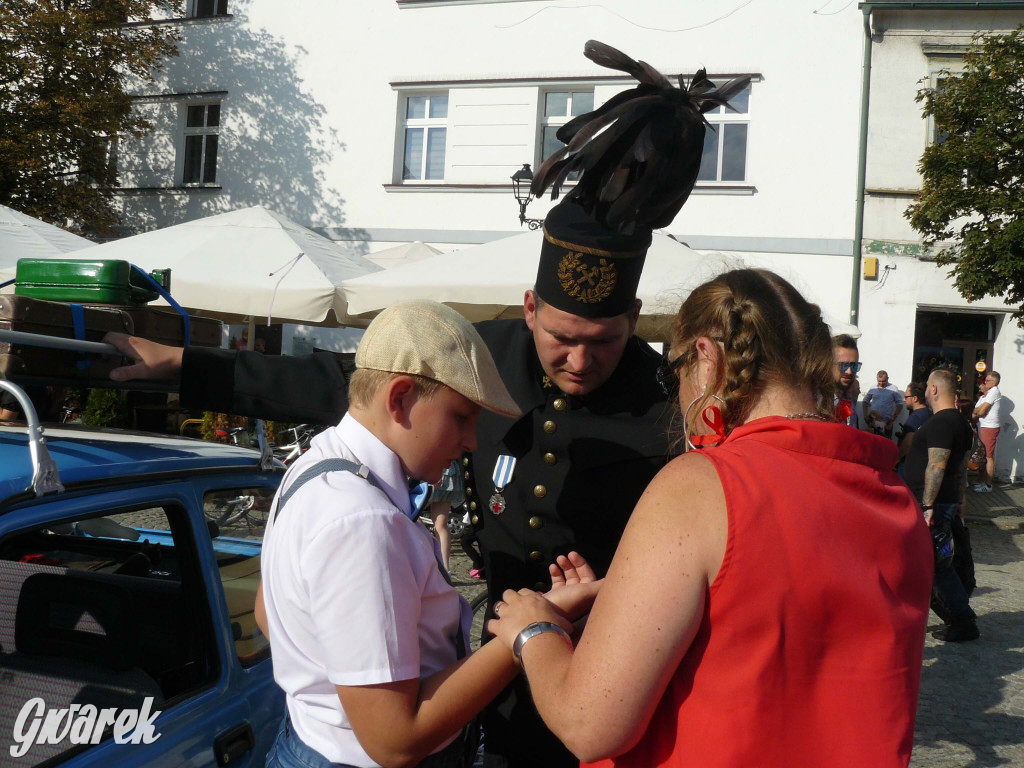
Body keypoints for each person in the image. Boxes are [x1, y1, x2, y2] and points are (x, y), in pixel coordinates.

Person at [106, 40, 748, 768]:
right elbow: (335, 384)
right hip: (491, 666)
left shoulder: (668, 404)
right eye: (563, 338)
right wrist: (185, 366)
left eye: (602, 341)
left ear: (633, 317)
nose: (579, 360)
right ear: (531, 308)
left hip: (615, 666)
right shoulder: (478, 355)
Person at [485, 268, 933, 768]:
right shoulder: (897, 499)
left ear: (706, 358)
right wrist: (619, 616)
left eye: (674, 369)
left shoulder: (702, 484)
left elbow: (589, 724)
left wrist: (534, 628)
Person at [255, 300, 599, 768]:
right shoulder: (361, 520)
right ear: (399, 399)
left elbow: (268, 611)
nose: (473, 442)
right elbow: (396, 741)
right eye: (462, 416)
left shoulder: (316, 467)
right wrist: (527, 632)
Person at [903, 368, 979, 643]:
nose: (924, 392)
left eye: (927, 387)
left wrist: (927, 505)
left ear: (934, 390)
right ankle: (955, 616)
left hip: (932, 504)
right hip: (944, 501)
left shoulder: (942, 423)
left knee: (939, 566)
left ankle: (962, 619)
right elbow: (961, 468)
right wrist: (960, 498)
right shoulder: (959, 423)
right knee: (936, 563)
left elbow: (938, 465)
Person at [429, 460, 465, 572]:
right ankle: (445, 570)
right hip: (451, 470)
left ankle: (425, 562)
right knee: (441, 525)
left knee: (410, 514)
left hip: (433, 469)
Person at [971, 370, 1002, 493]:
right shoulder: (988, 394)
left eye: (987, 380)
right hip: (984, 426)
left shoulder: (994, 392)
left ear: (994, 382)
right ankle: (982, 480)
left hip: (989, 427)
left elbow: (981, 411)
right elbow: (975, 410)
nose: (985, 382)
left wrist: (977, 411)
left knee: (988, 456)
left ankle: (988, 485)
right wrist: (977, 411)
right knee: (984, 455)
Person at [896, 380, 930, 477]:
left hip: (908, 463)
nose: (904, 400)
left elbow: (909, 441)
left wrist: (897, 458)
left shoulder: (916, 416)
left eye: (906, 397)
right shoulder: (927, 413)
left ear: (915, 398)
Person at [863, 369, 904, 438]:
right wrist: (865, 415)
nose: (881, 383)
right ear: (877, 379)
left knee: (886, 444)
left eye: (883, 381)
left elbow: (900, 404)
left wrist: (893, 419)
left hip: (887, 422)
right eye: (879, 381)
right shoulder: (873, 388)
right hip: (873, 421)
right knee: (872, 442)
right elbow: (865, 401)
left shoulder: (893, 389)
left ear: (887, 379)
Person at [832, 333, 861, 425]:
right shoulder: (816, 402)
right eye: (843, 365)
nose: (849, 371)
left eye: (854, 366)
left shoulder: (847, 400)